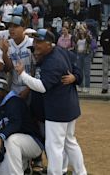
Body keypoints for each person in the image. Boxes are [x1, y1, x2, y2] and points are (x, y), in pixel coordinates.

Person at [15, 29, 87, 175]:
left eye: (39, 42)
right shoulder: (60, 51)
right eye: (35, 41)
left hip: (58, 110)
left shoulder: (52, 61)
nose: (36, 45)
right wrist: (75, 77)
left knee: (54, 147)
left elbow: (42, 87)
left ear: (49, 44)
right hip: (69, 107)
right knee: (70, 143)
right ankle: (80, 172)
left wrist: (22, 74)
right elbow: (75, 67)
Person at [0, 78, 43, 174]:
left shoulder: (15, 101)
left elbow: (15, 123)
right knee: (2, 172)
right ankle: (25, 167)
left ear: (5, 90)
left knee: (12, 139)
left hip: (33, 143)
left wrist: (0, 137)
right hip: (14, 148)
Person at [100, 25, 110, 94]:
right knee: (105, 72)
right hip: (105, 54)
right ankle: (105, 88)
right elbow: (101, 42)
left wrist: (107, 41)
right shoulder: (104, 32)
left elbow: (106, 41)